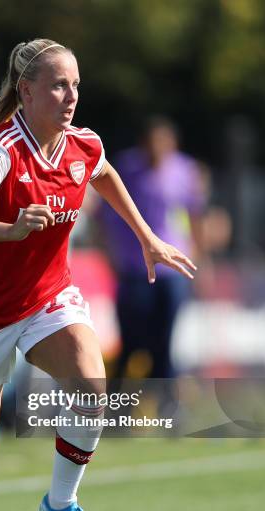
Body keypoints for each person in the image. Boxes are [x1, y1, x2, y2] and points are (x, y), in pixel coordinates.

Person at [0, 39, 196, 511]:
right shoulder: (1, 151)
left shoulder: (83, 143)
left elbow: (102, 173)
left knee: (92, 386)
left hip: (47, 297)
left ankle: (60, 503)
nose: (70, 95)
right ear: (26, 91)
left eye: (75, 84)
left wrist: (146, 236)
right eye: (57, 84)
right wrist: (12, 230)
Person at [99, 117, 205, 387]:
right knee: (132, 340)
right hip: (134, 268)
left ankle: (166, 408)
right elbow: (105, 215)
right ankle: (120, 406)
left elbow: (194, 217)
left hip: (172, 269)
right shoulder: (126, 168)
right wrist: (111, 253)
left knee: (165, 341)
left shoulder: (185, 170)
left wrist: (199, 257)